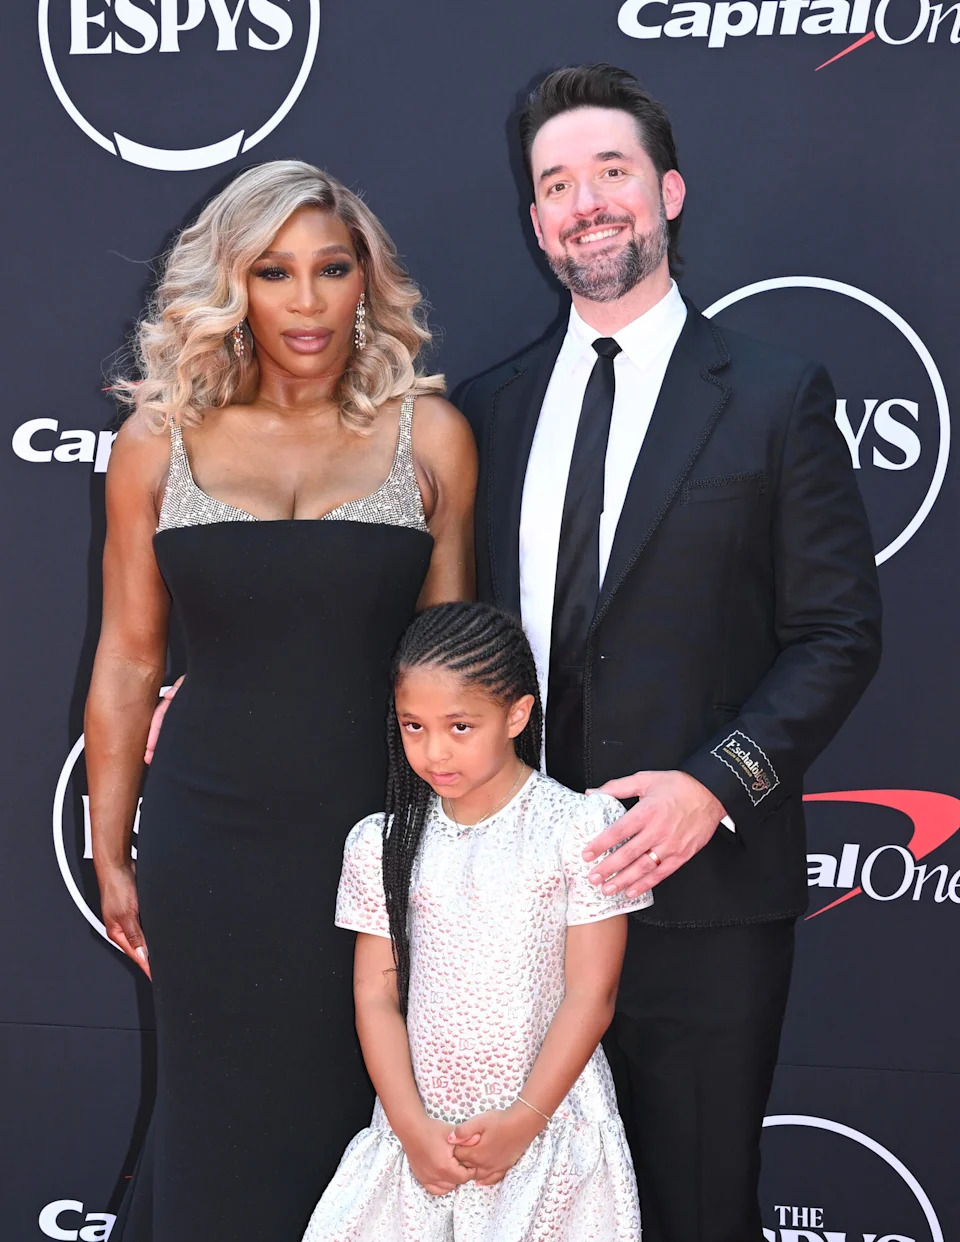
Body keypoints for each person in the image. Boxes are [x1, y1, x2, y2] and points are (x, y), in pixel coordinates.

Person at [459, 65, 882, 1242]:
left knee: (695, 1209)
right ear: (535, 219)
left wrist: (716, 783)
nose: (587, 202)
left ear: (670, 193)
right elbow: (433, 627)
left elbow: (840, 633)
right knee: (521, 1212)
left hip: (703, 899)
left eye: (612, 173)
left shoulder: (775, 395)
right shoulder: (486, 410)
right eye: (557, 183)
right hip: (518, 901)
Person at [84, 159, 476, 1241]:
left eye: (331, 269)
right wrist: (111, 844)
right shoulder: (157, 446)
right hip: (209, 844)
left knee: (358, 1123)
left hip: (375, 842)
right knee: (215, 1120)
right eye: (273, 272)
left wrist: (463, 847)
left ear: (367, 281)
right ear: (233, 285)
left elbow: (458, 669)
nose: (306, 302)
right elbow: (126, 658)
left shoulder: (428, 438)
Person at [301, 601, 648, 1242]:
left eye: (460, 727)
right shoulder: (382, 844)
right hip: (420, 1134)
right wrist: (409, 1128)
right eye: (413, 726)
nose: (434, 751)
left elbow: (591, 995)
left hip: (546, 1124)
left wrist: (523, 1121)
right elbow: (375, 995)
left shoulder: (577, 828)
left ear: (517, 714)